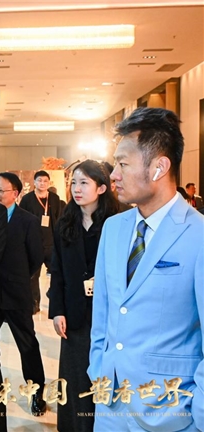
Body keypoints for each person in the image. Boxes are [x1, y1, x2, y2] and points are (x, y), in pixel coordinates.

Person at [89, 107, 204, 431]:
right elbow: (104, 312)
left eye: (123, 164)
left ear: (159, 167)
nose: (113, 175)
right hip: (111, 404)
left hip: (172, 412)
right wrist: (98, 369)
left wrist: (198, 416)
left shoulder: (198, 235)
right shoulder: (114, 228)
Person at [47, 160, 118, 432]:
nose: (76, 189)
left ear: (101, 188)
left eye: (84, 183)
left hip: (109, 314)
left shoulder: (117, 221)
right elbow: (57, 270)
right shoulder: (65, 223)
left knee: (105, 378)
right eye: (73, 182)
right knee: (75, 377)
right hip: (75, 313)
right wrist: (57, 310)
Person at [0, 172, 47, 422]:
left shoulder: (28, 221)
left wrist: (18, 278)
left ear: (15, 193)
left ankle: (36, 392)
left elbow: (36, 258)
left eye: (0, 190)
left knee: (27, 344)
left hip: (16, 293)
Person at [19, 170, 62, 313]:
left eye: (45, 181)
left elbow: (59, 218)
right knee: (33, 276)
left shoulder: (55, 198)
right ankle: (34, 304)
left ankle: (55, 298)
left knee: (57, 273)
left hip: (51, 243)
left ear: (49, 183)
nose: (42, 183)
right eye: (39, 180)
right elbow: (22, 220)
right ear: (34, 182)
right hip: (34, 242)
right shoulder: (27, 199)